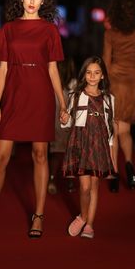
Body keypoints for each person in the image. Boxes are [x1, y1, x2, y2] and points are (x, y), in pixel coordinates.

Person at [0, 0, 67, 239]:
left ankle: (38, 216)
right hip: (14, 95)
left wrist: (62, 103)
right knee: (0, 156)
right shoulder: (7, 29)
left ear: (44, 1)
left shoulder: (50, 30)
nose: (32, 2)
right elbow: (3, 69)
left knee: (40, 155)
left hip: (40, 94)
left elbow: (53, 68)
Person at [102, 0, 135, 192]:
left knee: (113, 132)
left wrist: (101, 85)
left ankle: (114, 172)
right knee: (126, 131)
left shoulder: (110, 33)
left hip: (114, 82)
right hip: (133, 82)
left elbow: (105, 61)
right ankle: (130, 165)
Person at [62, 56, 116, 239]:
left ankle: (89, 224)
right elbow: (67, 123)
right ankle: (83, 216)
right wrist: (64, 119)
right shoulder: (76, 96)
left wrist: (111, 153)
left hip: (99, 145)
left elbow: (110, 129)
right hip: (81, 143)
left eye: (97, 73)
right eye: (89, 72)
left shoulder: (109, 99)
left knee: (94, 185)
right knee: (84, 187)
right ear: (84, 74)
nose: (92, 76)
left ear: (102, 76)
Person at [48, 57, 77, 194]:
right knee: (70, 153)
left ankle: (52, 179)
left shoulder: (52, 85)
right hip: (70, 124)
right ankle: (70, 180)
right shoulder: (75, 84)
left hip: (56, 124)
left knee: (55, 153)